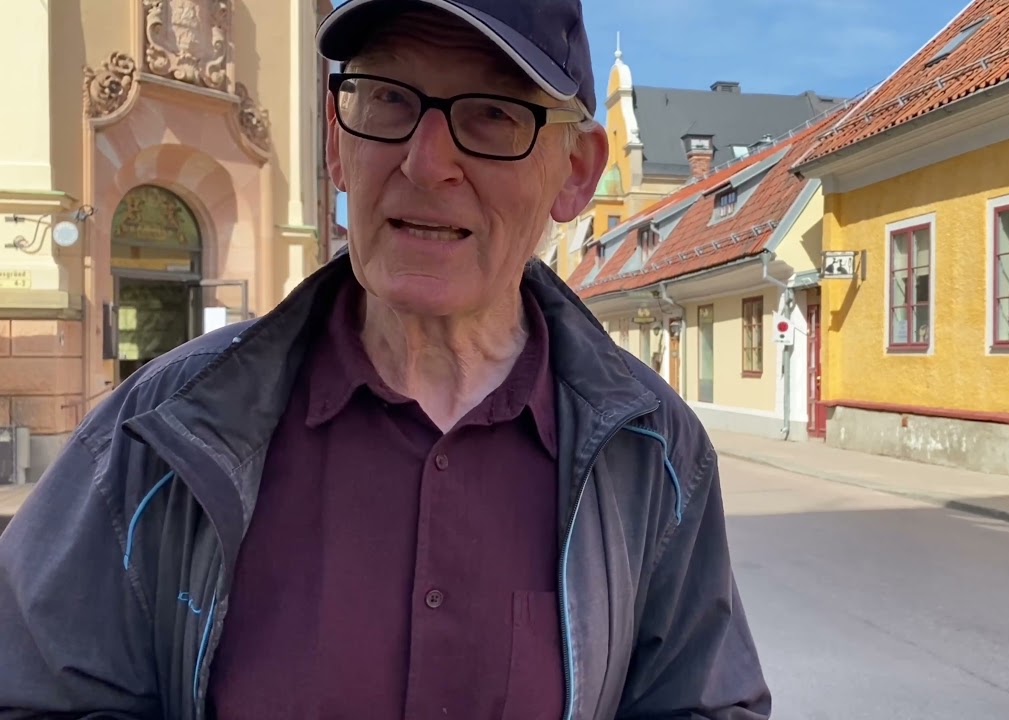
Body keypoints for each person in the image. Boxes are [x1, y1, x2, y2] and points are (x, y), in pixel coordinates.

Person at [0, 0, 772, 718]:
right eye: (389, 101)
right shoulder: (156, 432)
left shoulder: (654, 455)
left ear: (575, 173)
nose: (425, 162)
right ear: (336, 144)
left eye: (493, 113)